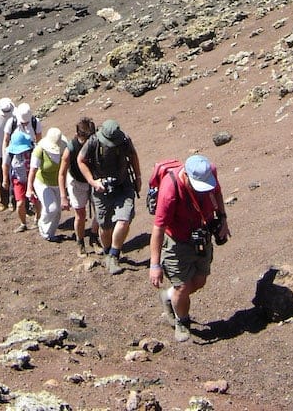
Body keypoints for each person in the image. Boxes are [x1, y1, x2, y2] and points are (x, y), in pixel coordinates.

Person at [148, 154, 230, 343]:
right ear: (187, 176)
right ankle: (182, 322)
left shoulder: (210, 171)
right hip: (177, 241)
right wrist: (154, 264)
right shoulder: (170, 190)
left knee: (200, 280)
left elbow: (217, 192)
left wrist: (223, 218)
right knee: (183, 286)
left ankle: (169, 296)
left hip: (201, 233)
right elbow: (158, 228)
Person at [77, 119, 142, 275]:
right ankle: (107, 252)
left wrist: (138, 177)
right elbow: (81, 160)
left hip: (123, 185)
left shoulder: (124, 140)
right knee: (105, 227)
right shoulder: (93, 142)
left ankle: (114, 255)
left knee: (124, 219)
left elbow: (133, 156)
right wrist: (93, 182)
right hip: (102, 190)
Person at [58, 117, 99, 256]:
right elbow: (62, 173)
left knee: (100, 212)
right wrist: (63, 196)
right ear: (78, 135)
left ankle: (94, 237)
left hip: (94, 180)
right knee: (80, 215)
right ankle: (80, 242)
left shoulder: (96, 143)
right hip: (77, 182)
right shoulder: (71, 148)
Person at [2, 102, 43, 213]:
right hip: (14, 154)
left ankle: (33, 206)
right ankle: (14, 201)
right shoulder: (12, 122)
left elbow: (39, 140)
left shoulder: (35, 123)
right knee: (14, 178)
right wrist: (5, 154)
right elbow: (6, 140)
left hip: (30, 154)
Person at [28, 127, 66, 242]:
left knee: (58, 211)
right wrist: (29, 188)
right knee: (51, 208)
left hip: (57, 183)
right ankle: (43, 227)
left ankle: (50, 234)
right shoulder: (40, 150)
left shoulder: (64, 149)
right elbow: (33, 170)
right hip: (42, 182)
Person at [2, 131, 35, 233]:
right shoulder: (9, 152)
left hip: (33, 179)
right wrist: (5, 179)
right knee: (20, 203)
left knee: (37, 201)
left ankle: (37, 220)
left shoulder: (33, 150)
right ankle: (23, 223)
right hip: (18, 180)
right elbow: (5, 165)